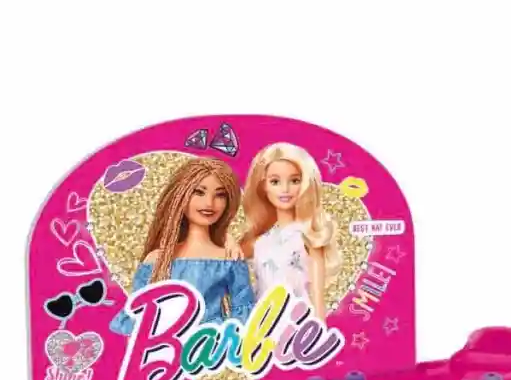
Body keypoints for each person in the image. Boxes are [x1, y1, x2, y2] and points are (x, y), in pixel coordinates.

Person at [110, 157, 254, 335]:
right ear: (181, 195)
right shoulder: (156, 260)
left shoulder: (229, 259)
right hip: (164, 346)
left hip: (210, 344)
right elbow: (136, 318)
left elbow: (243, 312)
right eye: (199, 192)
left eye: (220, 195)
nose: (209, 203)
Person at [239, 143, 341, 322]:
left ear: (306, 183)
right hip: (261, 326)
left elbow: (317, 298)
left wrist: (320, 328)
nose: (285, 189)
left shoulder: (310, 235)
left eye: (294, 181)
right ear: (263, 186)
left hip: (299, 325)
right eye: (275, 182)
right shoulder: (259, 241)